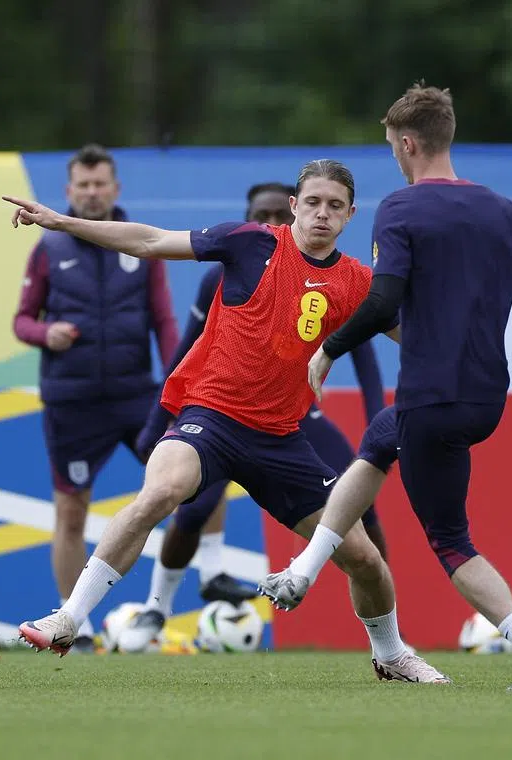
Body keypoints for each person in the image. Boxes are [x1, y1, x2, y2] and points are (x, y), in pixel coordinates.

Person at [6, 159, 449, 683]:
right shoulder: (249, 243)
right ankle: (68, 619)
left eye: (335, 206)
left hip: (281, 438)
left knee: (364, 558)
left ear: (351, 215)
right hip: (209, 416)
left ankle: (391, 653)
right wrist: (63, 222)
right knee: (161, 491)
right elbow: (148, 241)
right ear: (294, 206)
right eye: (312, 202)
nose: (322, 214)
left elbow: (422, 340)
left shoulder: (357, 282)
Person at [259, 84, 512, 691]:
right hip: (486, 398)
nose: (393, 156)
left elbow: (384, 299)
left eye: (392, 146)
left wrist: (328, 349)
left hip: (431, 398)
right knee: (380, 440)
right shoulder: (501, 209)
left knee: (451, 542)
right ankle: (304, 569)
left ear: (407, 143)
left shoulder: (402, 210)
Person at [117, 181, 388, 653]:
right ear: (261, 216)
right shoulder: (236, 260)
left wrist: (377, 426)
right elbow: (190, 344)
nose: (279, 224)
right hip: (223, 411)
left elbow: (362, 354)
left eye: (331, 206)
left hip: (293, 417)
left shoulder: (342, 277)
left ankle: (381, 624)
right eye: (269, 215)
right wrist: (159, 419)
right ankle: (159, 605)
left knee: (358, 499)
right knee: (190, 507)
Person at [12, 143, 178, 653]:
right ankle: (74, 629)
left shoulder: (139, 245)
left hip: (137, 398)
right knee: (70, 514)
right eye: (82, 185)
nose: (91, 191)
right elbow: (22, 321)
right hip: (73, 403)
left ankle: (162, 604)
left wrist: (180, 378)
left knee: (187, 486)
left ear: (115, 188)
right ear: (68, 192)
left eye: (99, 183)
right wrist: (47, 335)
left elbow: (164, 321)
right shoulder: (47, 249)